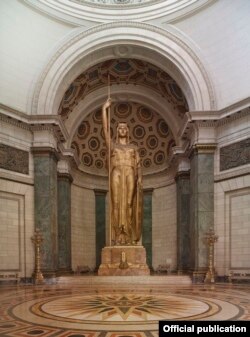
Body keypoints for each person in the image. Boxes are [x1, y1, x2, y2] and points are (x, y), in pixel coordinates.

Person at [102, 98, 143, 245]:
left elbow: (138, 165)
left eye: (125, 128)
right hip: (116, 172)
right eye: (119, 128)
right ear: (117, 131)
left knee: (129, 203)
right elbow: (105, 130)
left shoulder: (134, 147)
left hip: (130, 173)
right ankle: (117, 234)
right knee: (116, 202)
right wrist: (104, 109)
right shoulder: (112, 146)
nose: (122, 130)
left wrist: (140, 179)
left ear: (128, 131)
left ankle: (129, 235)